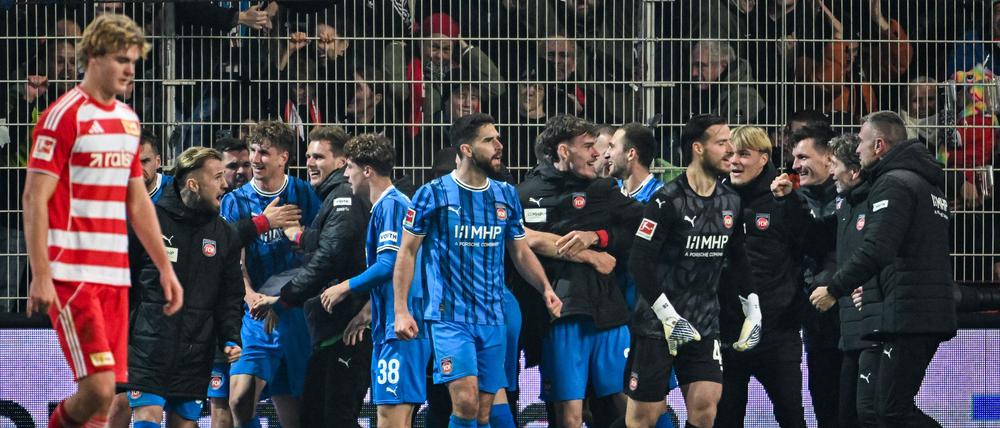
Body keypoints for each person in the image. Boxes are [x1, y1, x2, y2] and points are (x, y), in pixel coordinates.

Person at [22, 14, 183, 428]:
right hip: (71, 272)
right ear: (92, 57)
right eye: (120, 59)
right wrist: (41, 273)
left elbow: (137, 201)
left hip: (115, 275)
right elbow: (34, 197)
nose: (130, 69)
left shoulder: (128, 121)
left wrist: (164, 267)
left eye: (133, 60)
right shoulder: (61, 117)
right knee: (97, 386)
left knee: (105, 398)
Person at [393, 113, 562, 427]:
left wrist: (546, 289)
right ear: (466, 150)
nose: (500, 145)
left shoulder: (505, 195)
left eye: (498, 138)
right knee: (466, 401)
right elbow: (406, 252)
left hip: (493, 317)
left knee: (484, 411)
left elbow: (520, 251)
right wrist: (401, 309)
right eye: (490, 140)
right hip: (449, 318)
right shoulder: (432, 195)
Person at [808, 111, 957, 427]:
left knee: (891, 410)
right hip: (904, 311)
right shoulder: (926, 185)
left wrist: (835, 288)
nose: (857, 151)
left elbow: (879, 248)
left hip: (910, 314)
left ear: (878, 145)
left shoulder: (895, 184)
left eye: (861, 142)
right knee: (872, 411)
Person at [625, 114, 757, 428]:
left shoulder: (732, 201)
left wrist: (753, 310)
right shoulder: (666, 200)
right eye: (722, 142)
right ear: (698, 148)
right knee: (644, 417)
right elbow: (638, 262)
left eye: (731, 141)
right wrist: (669, 317)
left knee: (706, 408)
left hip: (703, 322)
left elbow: (738, 258)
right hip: (658, 325)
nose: (731, 150)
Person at [518, 116, 645, 427]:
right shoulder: (525, 193)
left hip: (609, 313)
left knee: (629, 407)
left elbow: (639, 229)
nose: (597, 153)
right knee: (571, 418)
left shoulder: (602, 189)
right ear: (563, 151)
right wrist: (590, 256)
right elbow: (523, 239)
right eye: (588, 146)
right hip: (561, 316)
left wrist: (600, 238)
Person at [250, 126, 372, 427]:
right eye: (308, 156)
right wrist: (304, 237)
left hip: (346, 328)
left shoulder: (343, 195)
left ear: (342, 161)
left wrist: (284, 299)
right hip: (329, 328)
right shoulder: (328, 197)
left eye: (319, 156)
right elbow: (332, 245)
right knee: (316, 417)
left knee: (336, 418)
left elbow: (329, 259)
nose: (310, 162)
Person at [315, 133, 432, 427]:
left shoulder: (391, 205)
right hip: (390, 326)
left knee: (391, 418)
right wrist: (367, 314)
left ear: (367, 171)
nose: (345, 174)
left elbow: (390, 264)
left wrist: (345, 286)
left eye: (350, 167)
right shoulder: (390, 205)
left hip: (400, 331)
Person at [123, 147, 244, 428]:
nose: (225, 184)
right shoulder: (147, 220)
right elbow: (124, 281)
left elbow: (230, 296)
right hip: (148, 345)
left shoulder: (224, 235)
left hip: (196, 350)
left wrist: (230, 338)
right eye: (216, 177)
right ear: (193, 184)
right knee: (147, 417)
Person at [220, 121, 321, 428]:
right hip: (258, 314)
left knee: (299, 414)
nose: (255, 159)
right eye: (253, 150)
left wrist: (299, 237)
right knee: (239, 399)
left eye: (264, 152)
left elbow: (320, 250)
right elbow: (231, 257)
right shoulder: (235, 201)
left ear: (283, 157)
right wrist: (248, 294)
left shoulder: (303, 193)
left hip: (296, 311)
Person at [715, 126, 809, 428]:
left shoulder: (783, 197)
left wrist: (790, 202)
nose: (735, 162)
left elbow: (811, 246)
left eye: (744, 154)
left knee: (791, 417)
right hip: (729, 332)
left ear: (763, 158)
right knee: (725, 418)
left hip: (777, 333)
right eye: (730, 154)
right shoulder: (716, 199)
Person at [787, 124, 843, 428]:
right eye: (794, 158)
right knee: (822, 399)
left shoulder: (854, 195)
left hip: (850, 319)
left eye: (802, 156)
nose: (795, 165)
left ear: (829, 157)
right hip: (813, 320)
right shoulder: (795, 200)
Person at [138, 130, 174, 203]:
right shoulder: (113, 192)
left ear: (158, 162)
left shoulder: (175, 190)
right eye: (132, 162)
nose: (138, 168)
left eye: (144, 161)